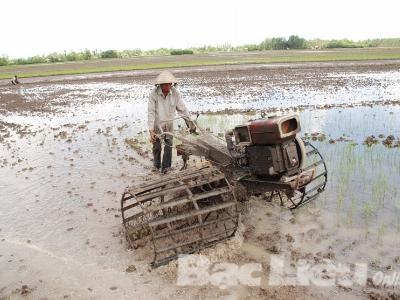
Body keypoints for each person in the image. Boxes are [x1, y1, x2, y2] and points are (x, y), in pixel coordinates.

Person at [148, 70, 194, 173]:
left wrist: (190, 122)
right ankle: (156, 165)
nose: (168, 86)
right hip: (157, 123)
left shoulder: (175, 93)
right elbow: (151, 112)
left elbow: (182, 109)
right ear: (160, 85)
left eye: (170, 84)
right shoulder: (153, 94)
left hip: (169, 123)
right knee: (157, 145)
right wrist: (151, 130)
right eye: (166, 84)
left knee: (169, 145)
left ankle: (166, 168)